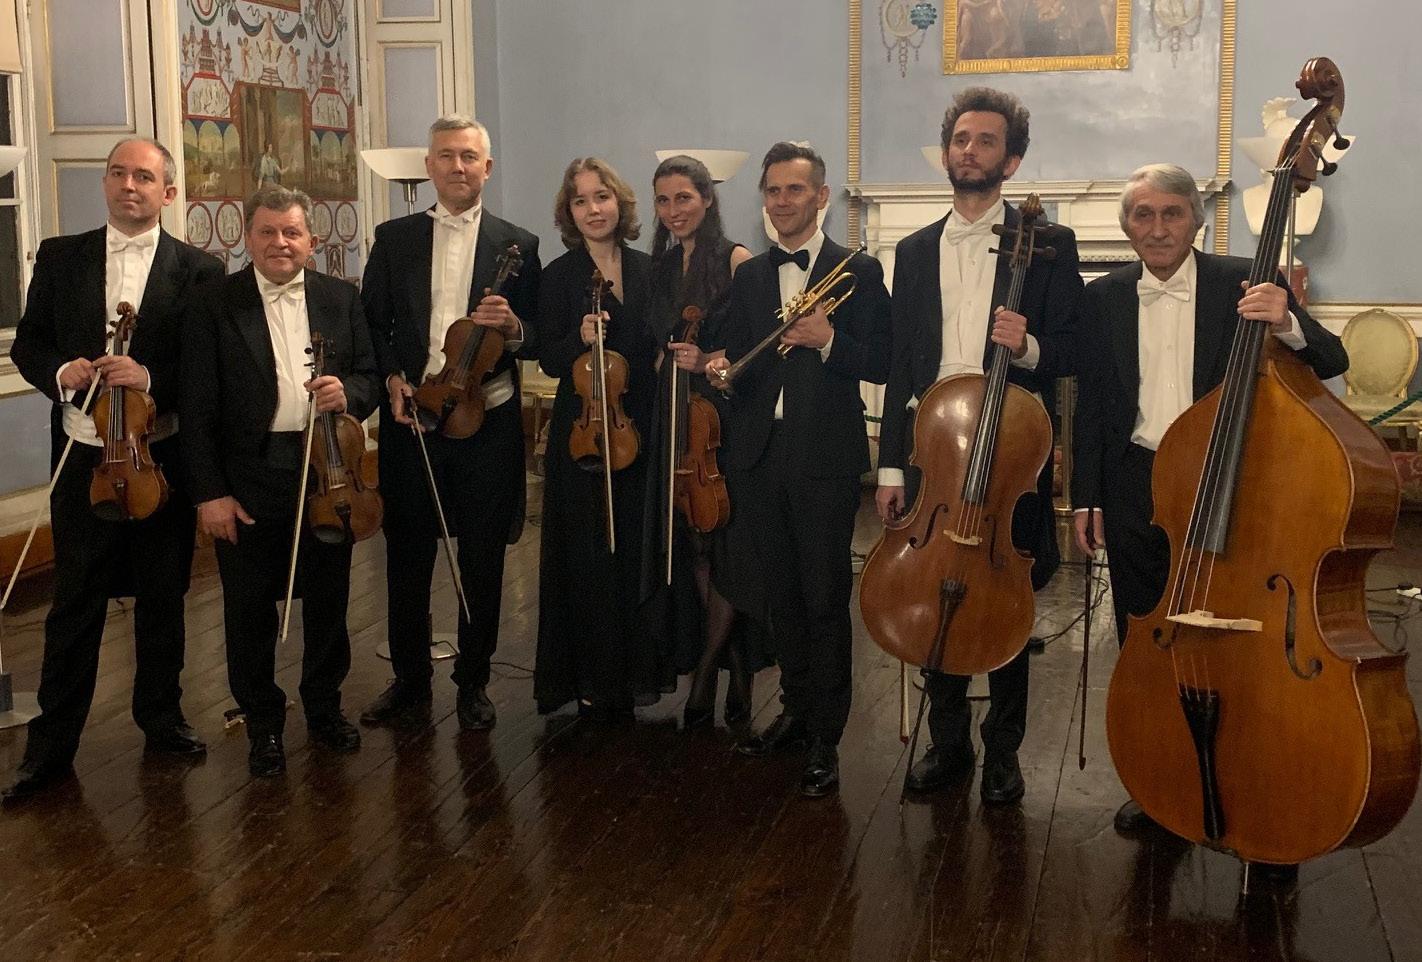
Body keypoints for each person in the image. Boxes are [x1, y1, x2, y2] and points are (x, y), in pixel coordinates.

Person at [1070, 163, 1348, 833]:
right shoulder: (1102, 296)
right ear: (1127, 228)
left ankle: (1259, 779)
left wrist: (1287, 322)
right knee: (1149, 636)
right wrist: (1085, 497)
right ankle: (1163, 783)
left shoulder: (1243, 282)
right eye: (1143, 215)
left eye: (1172, 212)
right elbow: (1094, 407)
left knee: (1244, 642)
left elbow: (1332, 359)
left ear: (1196, 220)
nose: (1158, 227)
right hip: (1138, 484)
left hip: (1232, 485)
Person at [873, 88, 1082, 805]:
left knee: (1003, 599)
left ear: (1011, 160)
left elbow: (1074, 348)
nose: (969, 150)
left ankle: (1004, 752)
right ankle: (949, 743)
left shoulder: (1049, 245)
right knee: (934, 592)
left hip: (1009, 448)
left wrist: (1027, 346)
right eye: (961, 139)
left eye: (986, 141)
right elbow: (903, 363)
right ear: (947, 151)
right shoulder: (912, 250)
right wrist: (891, 464)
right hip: (933, 450)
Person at [4, 138, 223, 803]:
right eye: (119, 174)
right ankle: (50, 748)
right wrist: (60, 371)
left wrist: (149, 376)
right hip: (82, 457)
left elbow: (207, 369)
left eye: (145, 177)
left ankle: (161, 719)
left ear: (168, 193)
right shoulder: (60, 255)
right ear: (105, 183)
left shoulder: (200, 270)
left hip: (158, 457)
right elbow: (30, 341)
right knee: (75, 602)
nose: (130, 185)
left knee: (163, 594)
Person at [707, 142, 892, 796]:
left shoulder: (857, 271)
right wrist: (721, 370)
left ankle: (825, 736)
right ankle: (795, 707)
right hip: (760, 456)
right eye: (773, 191)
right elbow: (740, 358)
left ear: (821, 197)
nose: (783, 201)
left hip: (824, 459)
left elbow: (883, 361)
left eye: (795, 189)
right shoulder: (753, 276)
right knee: (779, 594)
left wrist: (829, 340)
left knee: (822, 598)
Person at [182, 186, 379, 777]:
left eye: (291, 232)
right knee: (248, 607)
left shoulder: (341, 297)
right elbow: (196, 407)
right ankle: (262, 722)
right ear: (248, 238)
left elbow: (369, 375)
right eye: (267, 232)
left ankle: (324, 708)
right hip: (249, 471)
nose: (280, 243)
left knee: (329, 597)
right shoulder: (213, 303)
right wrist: (210, 493)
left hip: (328, 467)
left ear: (311, 241)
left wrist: (349, 393)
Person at [360, 115, 541, 732]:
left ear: (486, 167)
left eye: (468, 157)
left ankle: (473, 682)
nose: (457, 167)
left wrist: (514, 328)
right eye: (445, 156)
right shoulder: (394, 237)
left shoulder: (520, 243)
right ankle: (410, 680)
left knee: (483, 557)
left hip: (487, 418)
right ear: (429, 166)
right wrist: (392, 378)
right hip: (413, 416)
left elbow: (537, 333)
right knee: (407, 554)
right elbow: (372, 324)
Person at [638, 154, 764, 730]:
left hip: (721, 421)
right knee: (694, 546)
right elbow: (656, 342)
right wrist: (662, 357)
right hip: (675, 418)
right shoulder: (662, 268)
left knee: (727, 550)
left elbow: (757, 348)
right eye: (663, 200)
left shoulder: (737, 260)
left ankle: (709, 672)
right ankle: (735, 669)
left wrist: (708, 357)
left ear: (707, 199)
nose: (673, 211)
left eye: (684, 198)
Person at [534, 157, 661, 717]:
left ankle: (636, 673)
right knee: (587, 554)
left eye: (601, 197)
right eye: (581, 200)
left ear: (619, 203)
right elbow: (549, 356)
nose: (593, 209)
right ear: (570, 212)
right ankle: (589, 676)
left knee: (634, 548)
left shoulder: (649, 268)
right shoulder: (559, 275)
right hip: (585, 428)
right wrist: (578, 338)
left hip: (640, 422)